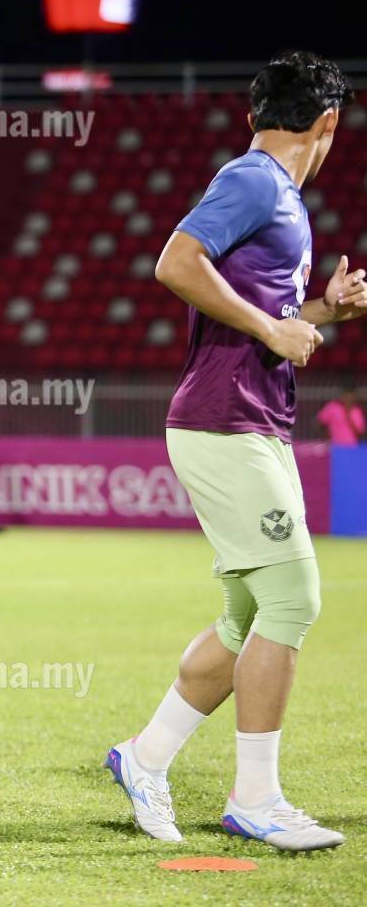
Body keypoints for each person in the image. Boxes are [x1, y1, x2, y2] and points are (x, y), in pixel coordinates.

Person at [108, 52, 365, 850]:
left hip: (255, 419)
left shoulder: (275, 195)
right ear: (329, 122)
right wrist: (275, 329)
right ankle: (256, 798)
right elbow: (175, 263)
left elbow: (268, 317)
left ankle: (144, 758)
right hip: (224, 423)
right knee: (295, 599)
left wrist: (322, 312)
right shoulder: (255, 181)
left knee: (247, 615)